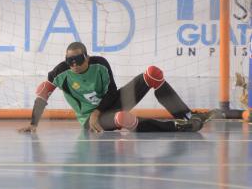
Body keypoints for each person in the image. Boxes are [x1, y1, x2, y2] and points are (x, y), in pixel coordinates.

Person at [18, 42, 214, 134]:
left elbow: (112, 92)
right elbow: (43, 94)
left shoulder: (100, 64)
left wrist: (97, 110)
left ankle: (188, 115)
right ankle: (179, 126)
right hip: (90, 120)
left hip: (110, 103)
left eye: (78, 60)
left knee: (153, 73)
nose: (74, 65)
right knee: (122, 119)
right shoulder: (61, 73)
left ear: (86, 57)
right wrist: (34, 123)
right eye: (70, 61)